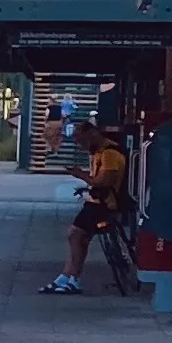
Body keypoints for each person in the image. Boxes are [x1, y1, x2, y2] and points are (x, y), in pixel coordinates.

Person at [47, 123, 132, 294]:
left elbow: (103, 181)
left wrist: (80, 175)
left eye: (82, 141)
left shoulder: (110, 153)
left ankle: (72, 277)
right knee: (80, 238)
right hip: (97, 202)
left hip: (104, 205)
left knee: (75, 234)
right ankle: (68, 277)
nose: (81, 145)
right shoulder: (99, 152)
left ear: (93, 134)